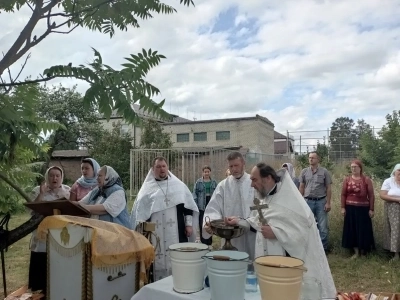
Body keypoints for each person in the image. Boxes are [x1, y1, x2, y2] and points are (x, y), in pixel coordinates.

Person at [226, 163, 336, 299]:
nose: (251, 185)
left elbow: (304, 232)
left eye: (254, 180)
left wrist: (277, 234)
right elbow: (258, 222)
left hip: (291, 267)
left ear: (267, 178)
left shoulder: (291, 201)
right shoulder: (264, 197)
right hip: (269, 261)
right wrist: (239, 221)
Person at [130, 156, 199, 281]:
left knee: (177, 261)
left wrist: (189, 224)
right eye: (158, 167)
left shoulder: (178, 186)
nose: (161, 169)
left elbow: (188, 207)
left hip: (176, 231)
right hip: (154, 235)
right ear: (153, 169)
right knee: (156, 263)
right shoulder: (146, 190)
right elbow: (140, 212)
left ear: (167, 168)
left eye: (163, 166)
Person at [203, 151, 256, 260]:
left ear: (243, 163)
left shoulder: (253, 183)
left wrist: (250, 222)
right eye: (231, 166)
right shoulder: (223, 185)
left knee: (251, 264)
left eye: (236, 165)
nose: (233, 169)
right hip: (230, 236)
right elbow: (214, 207)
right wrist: (209, 224)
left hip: (251, 233)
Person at [28, 166, 71, 293]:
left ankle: (59, 287)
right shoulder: (38, 190)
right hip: (42, 231)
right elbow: (31, 210)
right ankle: (40, 288)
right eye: (52, 175)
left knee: (58, 258)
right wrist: (41, 194)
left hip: (60, 231)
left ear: (61, 177)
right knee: (41, 256)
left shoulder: (67, 191)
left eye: (58, 175)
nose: (55, 178)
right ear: (47, 177)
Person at [341, 160, 375, 258]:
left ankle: (363, 252)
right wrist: (343, 208)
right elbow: (343, 194)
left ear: (360, 168)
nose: (353, 168)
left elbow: (371, 195)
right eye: (352, 167)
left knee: (363, 230)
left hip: (363, 209)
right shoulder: (347, 180)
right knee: (352, 230)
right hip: (350, 209)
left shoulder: (366, 180)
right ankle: (356, 252)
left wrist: (371, 209)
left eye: (355, 167)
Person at [299, 151, 332, 252]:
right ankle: (308, 248)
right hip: (307, 201)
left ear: (318, 159)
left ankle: (323, 249)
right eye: (309, 158)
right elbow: (301, 186)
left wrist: (328, 202)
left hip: (320, 202)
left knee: (322, 227)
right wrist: (300, 201)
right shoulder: (304, 172)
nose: (311, 159)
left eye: (313, 158)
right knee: (307, 225)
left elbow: (328, 188)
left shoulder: (324, 172)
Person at [193, 165, 218, 245]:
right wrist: (196, 205)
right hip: (201, 206)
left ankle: (209, 242)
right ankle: (203, 242)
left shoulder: (214, 182)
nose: (206, 173)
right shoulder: (198, 182)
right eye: (205, 172)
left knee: (210, 223)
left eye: (208, 171)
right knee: (202, 223)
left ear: (210, 172)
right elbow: (194, 194)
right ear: (202, 173)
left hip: (210, 204)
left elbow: (217, 194)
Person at [380, 163, 400, 262]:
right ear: (394, 171)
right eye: (399, 170)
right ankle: (396, 254)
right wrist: (397, 199)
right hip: (393, 209)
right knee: (395, 230)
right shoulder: (388, 181)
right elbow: (382, 195)